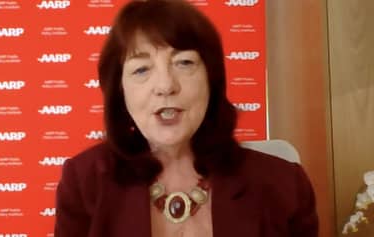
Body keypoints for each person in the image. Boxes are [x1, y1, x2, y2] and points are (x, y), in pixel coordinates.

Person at [55, 0, 319, 236]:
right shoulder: (84, 182)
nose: (166, 85)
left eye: (184, 63)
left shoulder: (284, 185)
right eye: (141, 69)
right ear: (120, 91)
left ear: (211, 80)